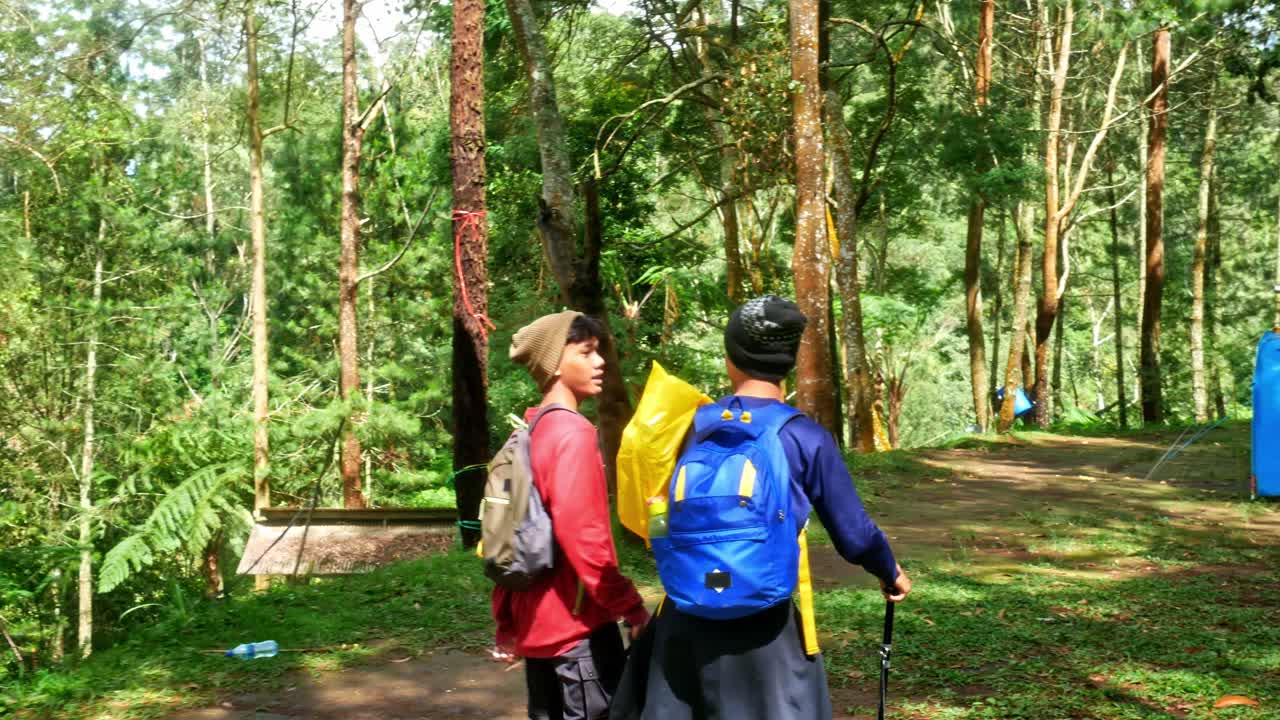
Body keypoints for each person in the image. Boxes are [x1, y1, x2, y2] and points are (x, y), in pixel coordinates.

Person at [612, 295, 911, 720]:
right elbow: (855, 535)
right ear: (788, 362)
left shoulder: (689, 427)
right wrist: (890, 571)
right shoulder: (805, 437)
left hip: (684, 618)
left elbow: (654, 512)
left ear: (731, 357)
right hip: (764, 629)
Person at [495, 310, 651, 720]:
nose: (599, 362)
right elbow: (585, 539)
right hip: (578, 633)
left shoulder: (531, 431)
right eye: (586, 352)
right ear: (555, 364)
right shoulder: (573, 434)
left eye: (598, 352)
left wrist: (507, 622)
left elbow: (508, 533)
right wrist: (632, 608)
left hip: (538, 629)